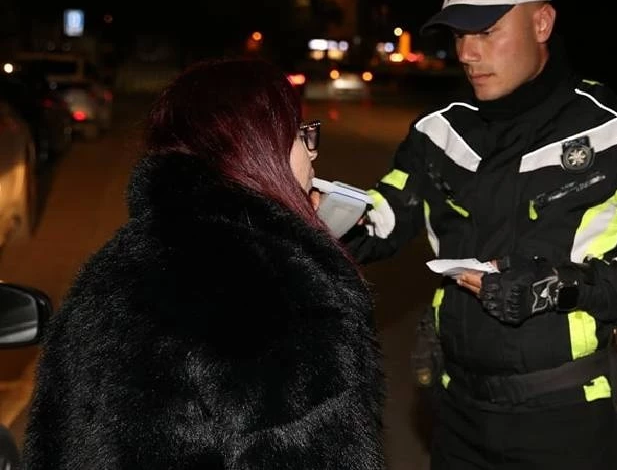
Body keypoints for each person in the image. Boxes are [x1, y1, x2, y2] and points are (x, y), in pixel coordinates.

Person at [342, 0, 617, 469]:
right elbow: (379, 220)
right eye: (458, 35)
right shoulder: (439, 133)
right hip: (456, 416)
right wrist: (314, 211)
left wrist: (560, 285)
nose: (468, 53)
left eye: (487, 31)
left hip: (570, 422)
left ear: (542, 23)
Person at [22, 58, 386, 469]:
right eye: (301, 134)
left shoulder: (111, 268)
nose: (311, 153)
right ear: (260, 145)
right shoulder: (281, 287)